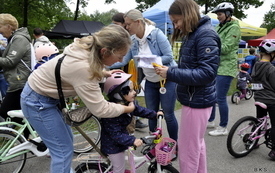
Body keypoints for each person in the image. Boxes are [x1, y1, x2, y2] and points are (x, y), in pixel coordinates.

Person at [20, 24, 135, 173]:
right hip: (37, 101)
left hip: (44, 96)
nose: (121, 60)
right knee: (62, 151)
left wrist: (103, 73)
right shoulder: (84, 68)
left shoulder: (88, 48)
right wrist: (127, 108)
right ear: (105, 51)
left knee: (67, 144)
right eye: (119, 56)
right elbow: (101, 109)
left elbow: (82, 68)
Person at [154, 0, 220, 172]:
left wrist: (171, 73)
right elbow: (195, 69)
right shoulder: (197, 33)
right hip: (195, 98)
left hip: (196, 99)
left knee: (188, 151)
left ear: (187, 15)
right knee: (197, 145)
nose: (175, 26)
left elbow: (206, 73)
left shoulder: (204, 35)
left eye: (176, 21)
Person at [108, 9, 178, 141]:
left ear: (138, 22)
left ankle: (174, 144)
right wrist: (103, 64)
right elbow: (124, 60)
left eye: (128, 24)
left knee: (168, 114)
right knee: (152, 114)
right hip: (151, 81)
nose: (126, 27)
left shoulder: (157, 35)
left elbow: (169, 57)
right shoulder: (133, 40)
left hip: (167, 80)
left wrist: (148, 61)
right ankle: (154, 143)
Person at [101, 72, 162, 173]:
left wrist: (155, 114)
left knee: (128, 161)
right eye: (130, 90)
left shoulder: (128, 105)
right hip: (113, 146)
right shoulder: (111, 112)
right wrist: (132, 140)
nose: (134, 92)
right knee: (119, 169)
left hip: (122, 141)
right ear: (118, 94)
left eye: (134, 89)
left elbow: (140, 110)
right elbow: (115, 134)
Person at [207, 2, 241, 136]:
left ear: (228, 14)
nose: (218, 17)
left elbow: (226, 48)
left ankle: (223, 127)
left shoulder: (234, 28)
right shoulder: (220, 27)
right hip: (216, 66)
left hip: (227, 68)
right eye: (217, 15)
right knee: (212, 96)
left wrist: (210, 47)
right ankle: (210, 121)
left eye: (220, 14)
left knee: (220, 98)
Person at [0, 14, 32, 137]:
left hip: (20, 82)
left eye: (0, 27)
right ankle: (25, 139)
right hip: (17, 81)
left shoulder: (19, 39)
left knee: (5, 111)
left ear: (8, 26)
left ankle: (34, 137)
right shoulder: (14, 38)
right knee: (18, 114)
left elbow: (10, 61)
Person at [250, 39, 275, 160]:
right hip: (271, 100)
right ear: (272, 54)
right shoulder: (271, 68)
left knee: (259, 120)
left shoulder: (256, 65)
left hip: (258, 97)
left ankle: (253, 142)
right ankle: (274, 150)